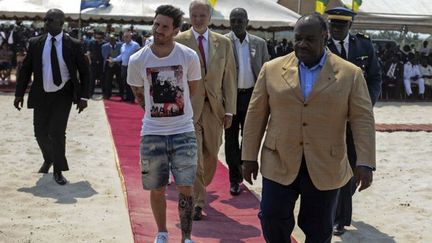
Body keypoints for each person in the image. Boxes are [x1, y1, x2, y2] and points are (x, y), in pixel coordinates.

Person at [241, 13, 376, 243]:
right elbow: (255, 117)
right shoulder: (271, 69)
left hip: (326, 163)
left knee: (319, 228)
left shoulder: (349, 74)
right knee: (272, 218)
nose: (302, 44)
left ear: (324, 37)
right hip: (279, 159)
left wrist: (365, 162)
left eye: (310, 39)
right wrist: (248, 157)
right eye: (298, 38)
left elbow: (363, 119)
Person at [127, 5, 201, 243]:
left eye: (164, 26)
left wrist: (174, 111)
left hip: (183, 131)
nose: (158, 30)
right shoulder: (138, 59)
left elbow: (193, 90)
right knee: (156, 187)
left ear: (176, 30)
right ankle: (162, 232)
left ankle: (186, 236)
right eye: (156, 24)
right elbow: (139, 94)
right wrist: (157, 113)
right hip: (152, 133)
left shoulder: (188, 57)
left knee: (186, 187)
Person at [13, 8, 90, 185]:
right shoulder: (35, 43)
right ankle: (49, 159)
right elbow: (25, 70)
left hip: (63, 95)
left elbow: (85, 73)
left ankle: (58, 170)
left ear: (61, 23)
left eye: (50, 20)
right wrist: (19, 94)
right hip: (41, 94)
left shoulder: (74, 44)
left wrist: (84, 97)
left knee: (56, 133)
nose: (46, 22)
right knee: (39, 133)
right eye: (45, 19)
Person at [175, 0, 236, 221]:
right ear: (189, 17)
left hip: (215, 109)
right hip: (189, 109)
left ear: (209, 17)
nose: (198, 20)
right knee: (195, 157)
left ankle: (201, 184)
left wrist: (230, 110)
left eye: (202, 16)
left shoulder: (224, 43)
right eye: (194, 15)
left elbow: (229, 77)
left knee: (211, 153)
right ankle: (198, 202)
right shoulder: (179, 41)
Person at [325, 6, 382, 235]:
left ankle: (340, 217)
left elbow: (376, 77)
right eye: (333, 25)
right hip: (328, 119)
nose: (337, 29)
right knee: (331, 167)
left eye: (342, 25)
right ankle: (335, 214)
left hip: (355, 119)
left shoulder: (364, 45)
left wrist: (366, 105)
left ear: (350, 26)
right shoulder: (322, 46)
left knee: (350, 167)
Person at [224, 8, 269, 196]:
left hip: (252, 97)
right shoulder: (224, 42)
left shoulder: (259, 44)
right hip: (231, 97)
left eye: (240, 20)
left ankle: (243, 165)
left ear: (247, 21)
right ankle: (234, 179)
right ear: (229, 22)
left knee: (249, 136)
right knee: (231, 139)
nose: (237, 24)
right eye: (233, 20)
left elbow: (267, 69)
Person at [109, 31, 140, 102]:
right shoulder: (123, 46)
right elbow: (121, 56)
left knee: (131, 83)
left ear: (130, 37)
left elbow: (139, 55)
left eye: (127, 37)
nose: (125, 38)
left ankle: (132, 98)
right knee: (125, 82)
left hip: (132, 67)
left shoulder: (135, 45)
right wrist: (113, 60)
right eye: (124, 37)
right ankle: (127, 97)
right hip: (124, 66)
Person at [101, 34, 122, 99]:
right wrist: (110, 59)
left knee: (120, 81)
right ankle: (107, 95)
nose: (112, 41)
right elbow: (104, 55)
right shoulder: (104, 46)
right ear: (109, 40)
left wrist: (115, 59)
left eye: (113, 39)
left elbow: (122, 54)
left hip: (118, 65)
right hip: (109, 65)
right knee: (108, 81)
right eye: (111, 39)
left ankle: (122, 95)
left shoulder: (120, 45)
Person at [87, 31, 106, 98]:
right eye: (97, 37)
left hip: (102, 64)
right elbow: (88, 52)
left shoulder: (105, 44)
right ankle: (90, 94)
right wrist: (89, 61)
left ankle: (104, 94)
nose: (98, 39)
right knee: (92, 80)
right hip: (93, 64)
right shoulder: (91, 43)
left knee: (103, 80)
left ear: (102, 37)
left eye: (100, 38)